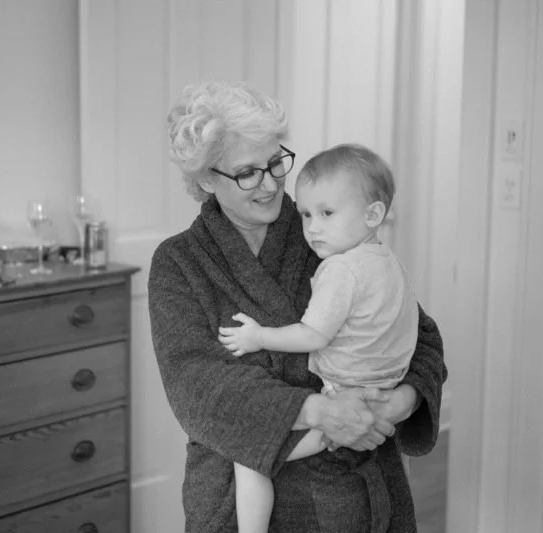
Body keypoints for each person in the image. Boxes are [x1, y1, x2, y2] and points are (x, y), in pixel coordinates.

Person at [149, 80, 447, 533]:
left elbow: (416, 335)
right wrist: (319, 412)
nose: (270, 184)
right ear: (207, 178)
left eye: (275, 162)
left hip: (360, 486)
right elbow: (197, 386)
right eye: (248, 172)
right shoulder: (180, 264)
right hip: (241, 502)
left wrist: (396, 404)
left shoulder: (334, 233)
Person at [217, 143, 418, 533]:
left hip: (348, 396)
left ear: (373, 214)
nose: (312, 227)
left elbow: (312, 335)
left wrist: (258, 337)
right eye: (307, 214)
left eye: (326, 214)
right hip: (379, 391)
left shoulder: (341, 269)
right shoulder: (389, 262)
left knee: (250, 455)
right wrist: (397, 394)